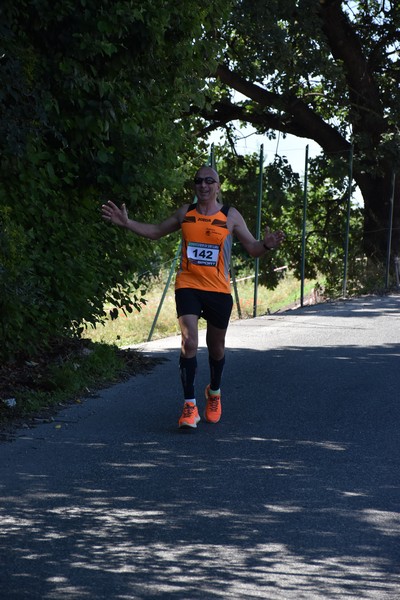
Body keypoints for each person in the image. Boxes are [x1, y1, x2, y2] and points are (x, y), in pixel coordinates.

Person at [101, 166, 285, 429]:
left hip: (219, 290)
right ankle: (189, 406)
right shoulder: (185, 213)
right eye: (199, 181)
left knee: (216, 346)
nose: (203, 185)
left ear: (218, 186)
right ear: (195, 186)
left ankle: (214, 392)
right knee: (189, 341)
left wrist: (266, 244)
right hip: (188, 285)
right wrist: (126, 222)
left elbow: (253, 248)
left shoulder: (230, 215)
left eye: (209, 181)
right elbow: (155, 231)